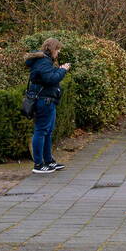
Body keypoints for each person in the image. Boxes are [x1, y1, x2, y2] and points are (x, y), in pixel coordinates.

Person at [24, 38, 71, 174]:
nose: (58, 52)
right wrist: (62, 71)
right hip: (44, 100)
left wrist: (59, 69)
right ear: (52, 49)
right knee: (41, 131)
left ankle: (48, 161)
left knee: (48, 132)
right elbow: (51, 79)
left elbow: (48, 76)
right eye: (58, 50)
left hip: (47, 100)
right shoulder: (44, 61)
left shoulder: (44, 61)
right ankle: (39, 164)